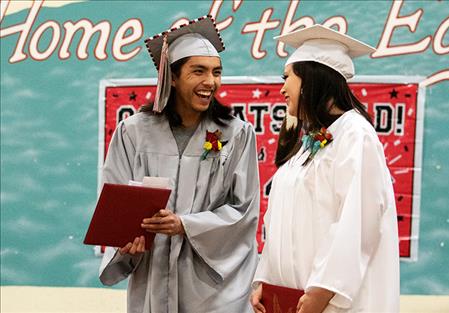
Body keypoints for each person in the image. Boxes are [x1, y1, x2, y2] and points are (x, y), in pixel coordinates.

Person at [99, 16, 260, 313]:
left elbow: (244, 212)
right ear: (172, 77)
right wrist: (124, 242)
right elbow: (115, 202)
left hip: (213, 290)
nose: (210, 82)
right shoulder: (133, 132)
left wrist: (186, 224)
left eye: (216, 72)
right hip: (154, 275)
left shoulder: (236, 134)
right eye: (198, 71)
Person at [251, 25, 400, 313]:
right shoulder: (309, 142)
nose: (282, 88)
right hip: (292, 302)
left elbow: (357, 219)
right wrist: (264, 281)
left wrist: (322, 292)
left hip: (332, 303)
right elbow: (279, 221)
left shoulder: (355, 134)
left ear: (310, 79)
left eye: (287, 78)